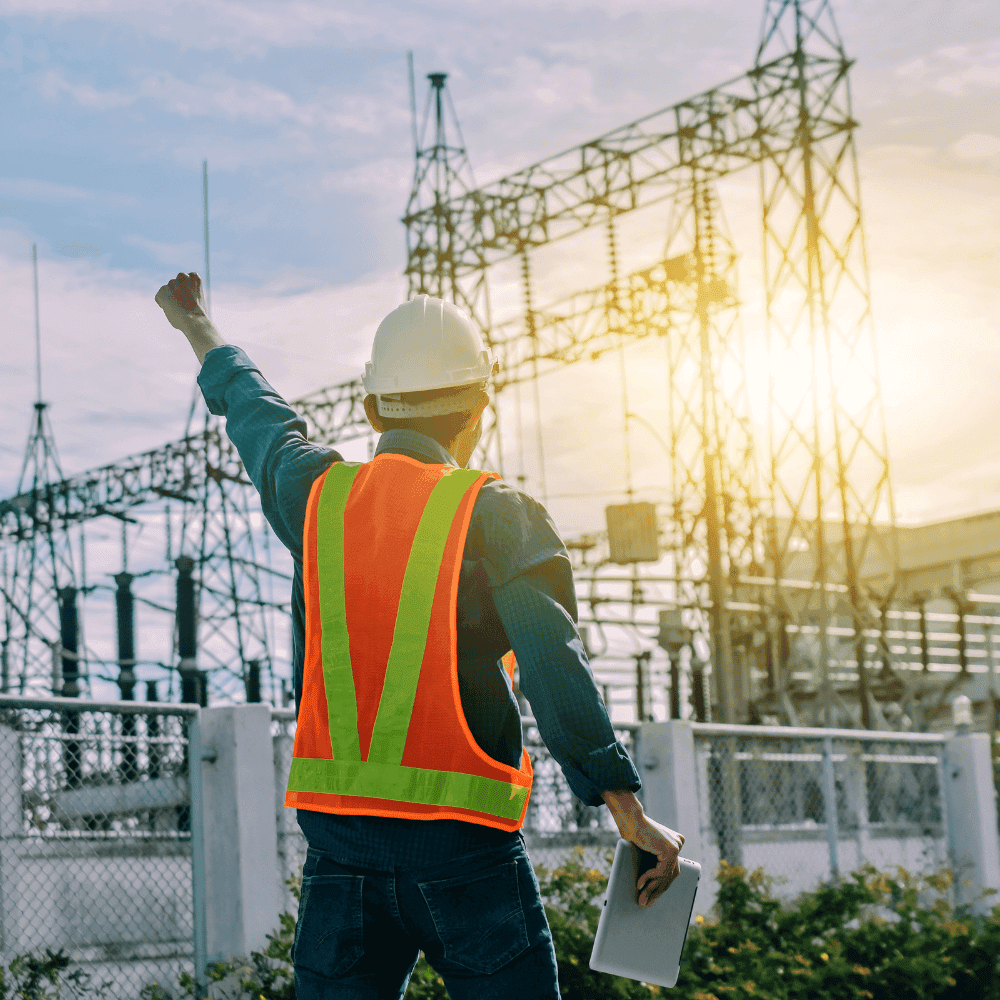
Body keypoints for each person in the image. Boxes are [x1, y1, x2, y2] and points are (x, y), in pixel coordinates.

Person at [155, 272, 685, 1000]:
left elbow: (254, 412)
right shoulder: (501, 516)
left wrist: (198, 327)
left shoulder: (316, 499)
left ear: (372, 408)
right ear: (479, 409)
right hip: (469, 859)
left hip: (340, 860)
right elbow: (553, 667)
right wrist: (627, 807)